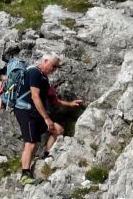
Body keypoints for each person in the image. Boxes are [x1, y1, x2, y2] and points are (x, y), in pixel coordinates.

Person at [14, 53, 83, 184]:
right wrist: (46, 118)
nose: (54, 69)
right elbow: (35, 96)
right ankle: (25, 174)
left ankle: (46, 156)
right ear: (45, 61)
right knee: (30, 143)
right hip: (26, 111)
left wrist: (70, 103)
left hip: (36, 112)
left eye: (56, 67)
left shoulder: (44, 78)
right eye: (53, 65)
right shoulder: (34, 73)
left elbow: (54, 100)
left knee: (58, 130)